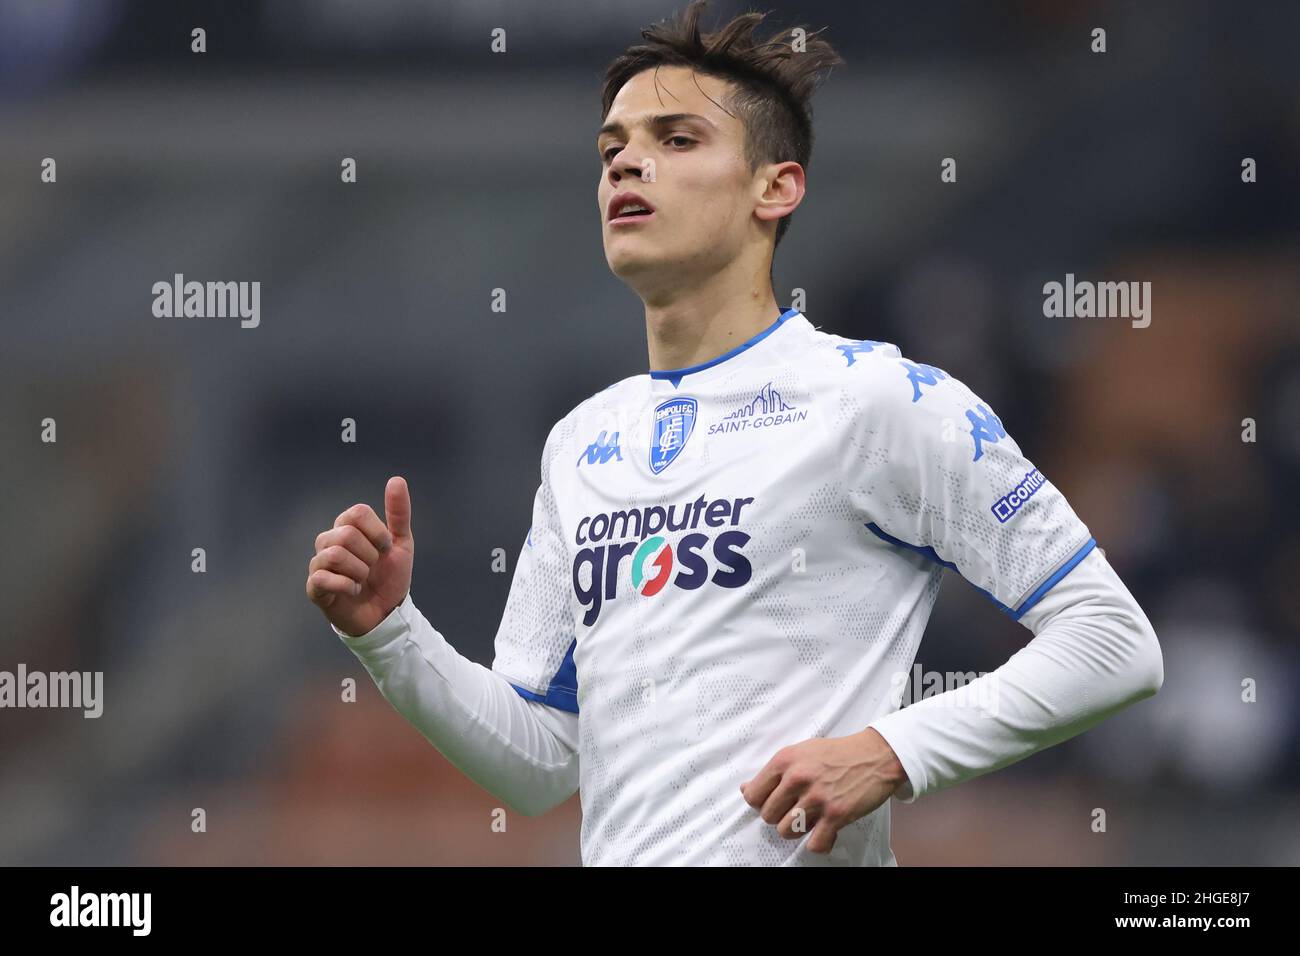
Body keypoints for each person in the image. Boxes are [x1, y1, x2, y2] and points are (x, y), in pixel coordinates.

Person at [305, 0, 1162, 866]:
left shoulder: (878, 399)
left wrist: (893, 753)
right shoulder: (580, 444)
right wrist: (390, 635)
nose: (627, 163)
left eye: (677, 140)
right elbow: (538, 761)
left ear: (775, 186)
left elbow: (1112, 642)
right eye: (612, 149)